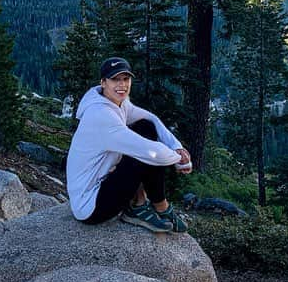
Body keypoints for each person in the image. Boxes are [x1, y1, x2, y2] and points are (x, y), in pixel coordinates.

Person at [66, 57, 193, 233]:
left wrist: (176, 146)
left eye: (126, 79)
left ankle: (143, 202)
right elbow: (150, 152)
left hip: (103, 182)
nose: (122, 85)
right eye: (115, 79)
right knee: (146, 153)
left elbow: (150, 119)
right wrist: (179, 159)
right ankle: (153, 207)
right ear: (103, 82)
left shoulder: (117, 102)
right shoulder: (100, 115)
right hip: (91, 206)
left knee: (145, 127)